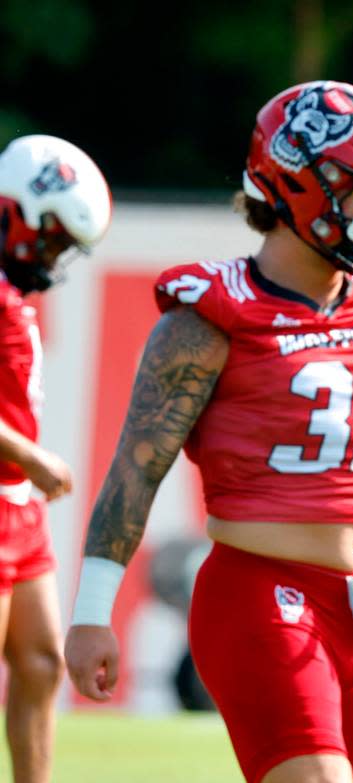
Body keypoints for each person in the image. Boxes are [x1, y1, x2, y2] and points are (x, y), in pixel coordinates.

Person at [63, 81, 353, 783]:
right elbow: (136, 470)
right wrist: (94, 612)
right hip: (258, 592)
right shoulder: (208, 317)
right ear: (299, 186)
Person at [0, 134, 112, 783]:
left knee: (42, 660)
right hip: (9, 485)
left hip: (17, 506)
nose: (55, 256)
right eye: (53, 238)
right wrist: (32, 457)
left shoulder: (14, 290)